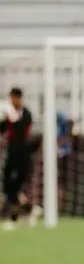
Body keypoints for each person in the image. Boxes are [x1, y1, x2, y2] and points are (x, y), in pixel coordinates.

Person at [1, 88, 41, 231]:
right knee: (8, 186)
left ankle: (14, 218)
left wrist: (13, 116)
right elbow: (2, 129)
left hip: (23, 153)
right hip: (11, 152)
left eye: (14, 98)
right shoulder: (8, 115)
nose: (12, 101)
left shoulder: (26, 114)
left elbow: (20, 129)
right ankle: (30, 208)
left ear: (19, 98)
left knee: (15, 186)